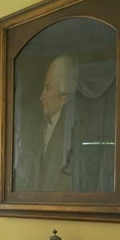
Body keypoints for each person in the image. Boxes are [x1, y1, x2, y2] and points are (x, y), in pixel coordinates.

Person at [14, 54, 79, 192]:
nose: (41, 96)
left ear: (64, 97)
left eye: (48, 89)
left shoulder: (73, 133)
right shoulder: (35, 128)